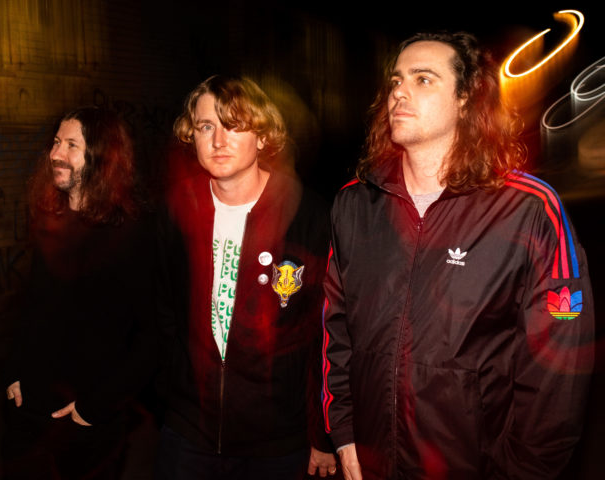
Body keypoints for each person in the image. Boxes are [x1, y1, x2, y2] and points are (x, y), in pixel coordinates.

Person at [321, 32, 594, 479]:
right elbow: (335, 331)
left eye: (423, 79)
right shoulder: (354, 204)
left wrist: (522, 471)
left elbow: (559, 364)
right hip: (370, 462)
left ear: (466, 99)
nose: (399, 92)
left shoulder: (527, 209)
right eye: (396, 80)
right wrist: (345, 432)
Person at [155, 75, 337, 479]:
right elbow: (161, 310)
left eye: (234, 125)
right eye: (206, 126)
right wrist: (172, 391)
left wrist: (322, 433)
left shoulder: (307, 215)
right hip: (189, 431)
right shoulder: (177, 209)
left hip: (276, 441)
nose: (218, 140)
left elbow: (325, 332)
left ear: (262, 135)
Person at [3, 106, 156, 479]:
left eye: (72, 145)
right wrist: (15, 371)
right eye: (56, 142)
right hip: (29, 413)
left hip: (88, 424)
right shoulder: (51, 220)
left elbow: (153, 336)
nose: (56, 154)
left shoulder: (132, 236)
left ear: (102, 157)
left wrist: (95, 407)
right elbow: (29, 306)